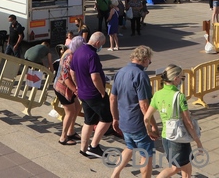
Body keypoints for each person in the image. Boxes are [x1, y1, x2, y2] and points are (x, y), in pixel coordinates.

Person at [143, 64, 203, 178]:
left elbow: (146, 118)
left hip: (166, 136)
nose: (182, 80)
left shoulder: (157, 94)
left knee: (179, 166)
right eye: (182, 77)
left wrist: (149, 131)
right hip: (178, 138)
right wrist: (198, 142)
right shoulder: (179, 96)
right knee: (182, 168)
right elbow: (188, 123)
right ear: (175, 79)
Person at [111, 46, 158, 178]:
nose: (149, 63)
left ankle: (115, 174)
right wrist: (152, 125)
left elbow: (112, 98)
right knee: (146, 155)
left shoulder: (120, 72)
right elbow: (144, 105)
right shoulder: (141, 75)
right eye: (149, 61)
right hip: (138, 123)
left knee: (129, 147)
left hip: (124, 121)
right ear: (145, 59)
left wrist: (115, 118)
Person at [70, 32, 112, 158]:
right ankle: (94, 146)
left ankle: (83, 148)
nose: (101, 47)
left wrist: (78, 85)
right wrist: (102, 92)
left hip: (83, 93)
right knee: (107, 119)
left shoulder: (78, 51)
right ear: (98, 43)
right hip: (94, 94)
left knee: (88, 121)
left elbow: (72, 72)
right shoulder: (92, 55)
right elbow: (95, 77)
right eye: (102, 45)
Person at [54, 36, 84, 146]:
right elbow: (66, 78)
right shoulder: (69, 57)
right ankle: (63, 137)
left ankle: (71, 132)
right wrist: (76, 90)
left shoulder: (69, 51)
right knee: (70, 112)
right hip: (62, 88)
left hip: (65, 86)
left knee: (77, 106)